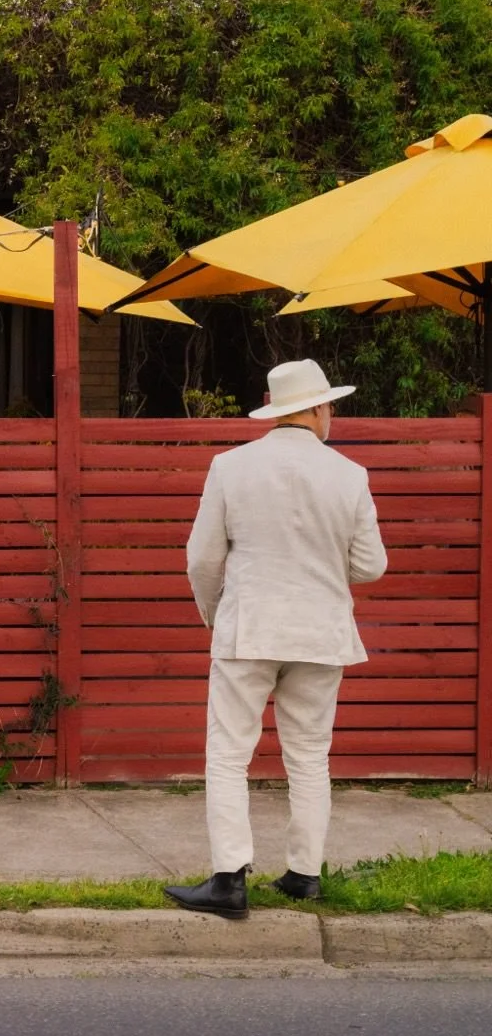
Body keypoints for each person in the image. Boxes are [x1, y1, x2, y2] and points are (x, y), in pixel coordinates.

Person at [162, 359, 387, 919]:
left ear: (275, 406)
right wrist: (323, 569)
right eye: (329, 405)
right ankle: (304, 875)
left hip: (249, 628)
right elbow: (372, 565)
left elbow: (201, 559)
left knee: (229, 754)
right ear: (313, 408)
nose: (331, 414)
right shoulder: (350, 474)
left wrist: (216, 614)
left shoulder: (230, 467)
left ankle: (229, 881)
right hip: (321, 631)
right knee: (310, 756)